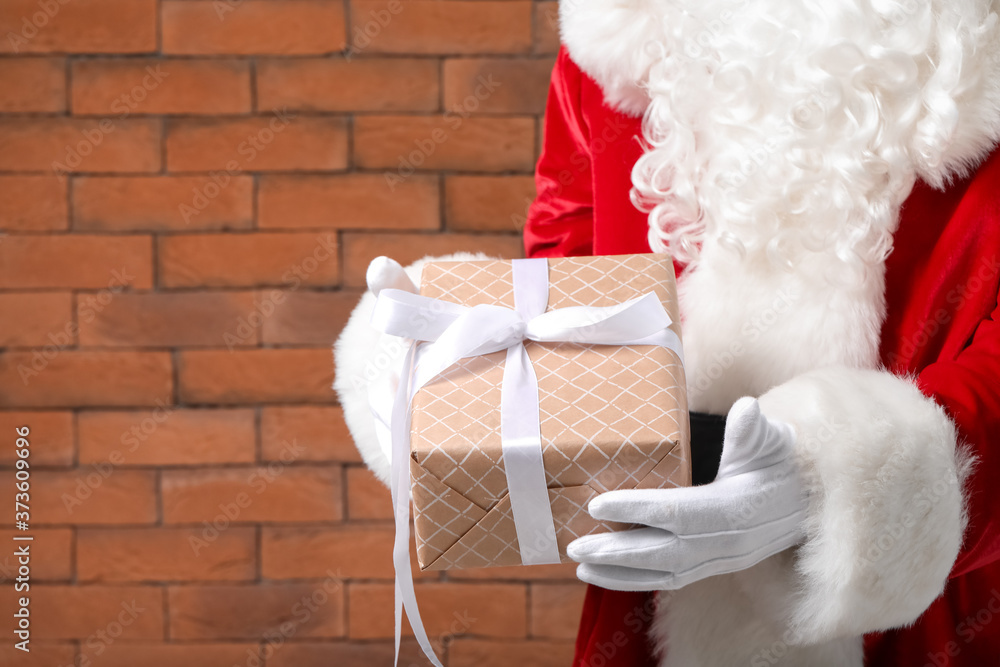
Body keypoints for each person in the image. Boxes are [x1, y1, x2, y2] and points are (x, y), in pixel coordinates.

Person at [336, 0, 1000, 663]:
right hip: (647, 610)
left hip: (930, 625)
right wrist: (452, 370)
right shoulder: (616, 38)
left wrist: (855, 490)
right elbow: (566, 281)